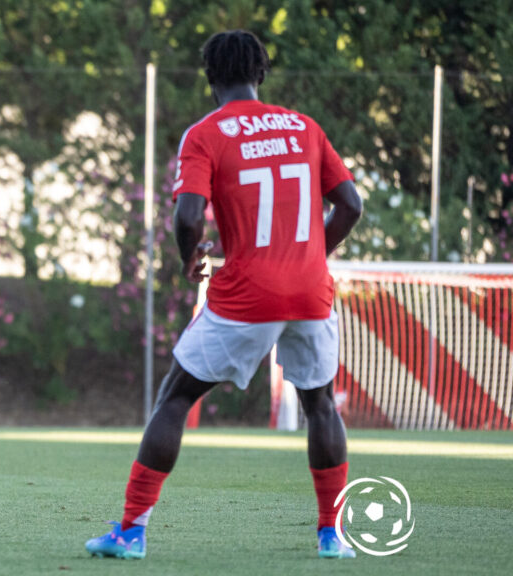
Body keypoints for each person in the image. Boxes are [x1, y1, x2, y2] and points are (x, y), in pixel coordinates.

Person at [85, 30, 363, 560]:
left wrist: (190, 258)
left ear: (209, 77)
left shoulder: (207, 133)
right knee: (321, 406)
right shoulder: (305, 127)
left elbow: (188, 215)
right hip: (311, 293)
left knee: (175, 397)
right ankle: (332, 535)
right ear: (261, 73)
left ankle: (130, 532)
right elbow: (349, 205)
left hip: (247, 292)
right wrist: (307, 255)